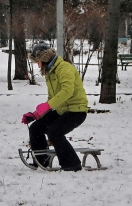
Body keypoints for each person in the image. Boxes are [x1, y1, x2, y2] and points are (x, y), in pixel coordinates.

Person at [21, 43, 88, 171]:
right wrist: (36, 114)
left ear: (44, 59)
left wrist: (47, 105)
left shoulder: (64, 68)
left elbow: (67, 91)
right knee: (36, 128)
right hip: (62, 110)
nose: (38, 65)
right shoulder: (50, 73)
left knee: (54, 132)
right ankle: (42, 160)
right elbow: (52, 99)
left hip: (76, 111)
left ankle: (72, 164)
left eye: (38, 61)